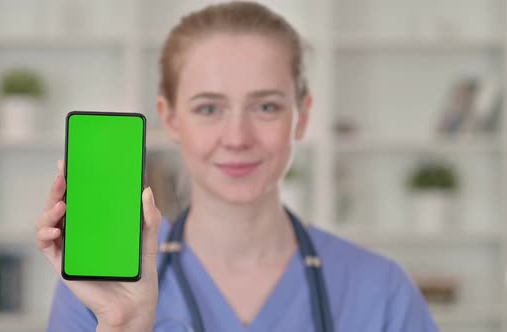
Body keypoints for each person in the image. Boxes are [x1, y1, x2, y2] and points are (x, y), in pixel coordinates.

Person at [36, 2, 438, 331]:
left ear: (302, 115)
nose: (237, 137)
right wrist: (125, 324)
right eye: (209, 108)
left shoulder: (381, 291)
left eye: (266, 106)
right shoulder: (101, 290)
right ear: (170, 118)